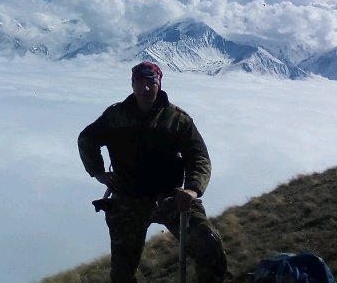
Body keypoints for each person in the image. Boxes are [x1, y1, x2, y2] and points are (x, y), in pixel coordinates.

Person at [78, 60, 227, 283]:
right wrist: (98, 172)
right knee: (122, 273)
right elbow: (87, 139)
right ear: (132, 84)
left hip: (171, 198)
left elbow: (199, 157)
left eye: (151, 82)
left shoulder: (177, 120)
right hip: (128, 199)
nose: (146, 88)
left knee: (209, 243)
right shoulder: (115, 116)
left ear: (159, 84)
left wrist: (192, 189)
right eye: (140, 82)